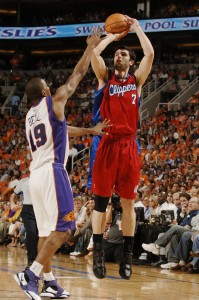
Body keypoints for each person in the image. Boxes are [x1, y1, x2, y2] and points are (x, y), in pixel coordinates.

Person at [14, 30, 102, 300]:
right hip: (53, 171)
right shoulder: (54, 101)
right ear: (44, 91)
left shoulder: (31, 115)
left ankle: (50, 282)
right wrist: (90, 48)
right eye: (47, 86)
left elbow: (63, 129)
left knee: (45, 232)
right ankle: (31, 274)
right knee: (64, 229)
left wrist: (90, 129)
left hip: (36, 176)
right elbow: (76, 76)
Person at [90, 16, 154, 280]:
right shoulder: (105, 79)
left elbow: (150, 53)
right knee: (101, 203)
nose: (119, 55)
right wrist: (112, 37)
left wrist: (137, 28)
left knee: (128, 202)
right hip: (107, 143)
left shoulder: (136, 82)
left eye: (124, 53)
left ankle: (127, 256)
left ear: (131, 62)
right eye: (117, 53)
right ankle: (98, 255)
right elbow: (94, 53)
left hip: (128, 145)